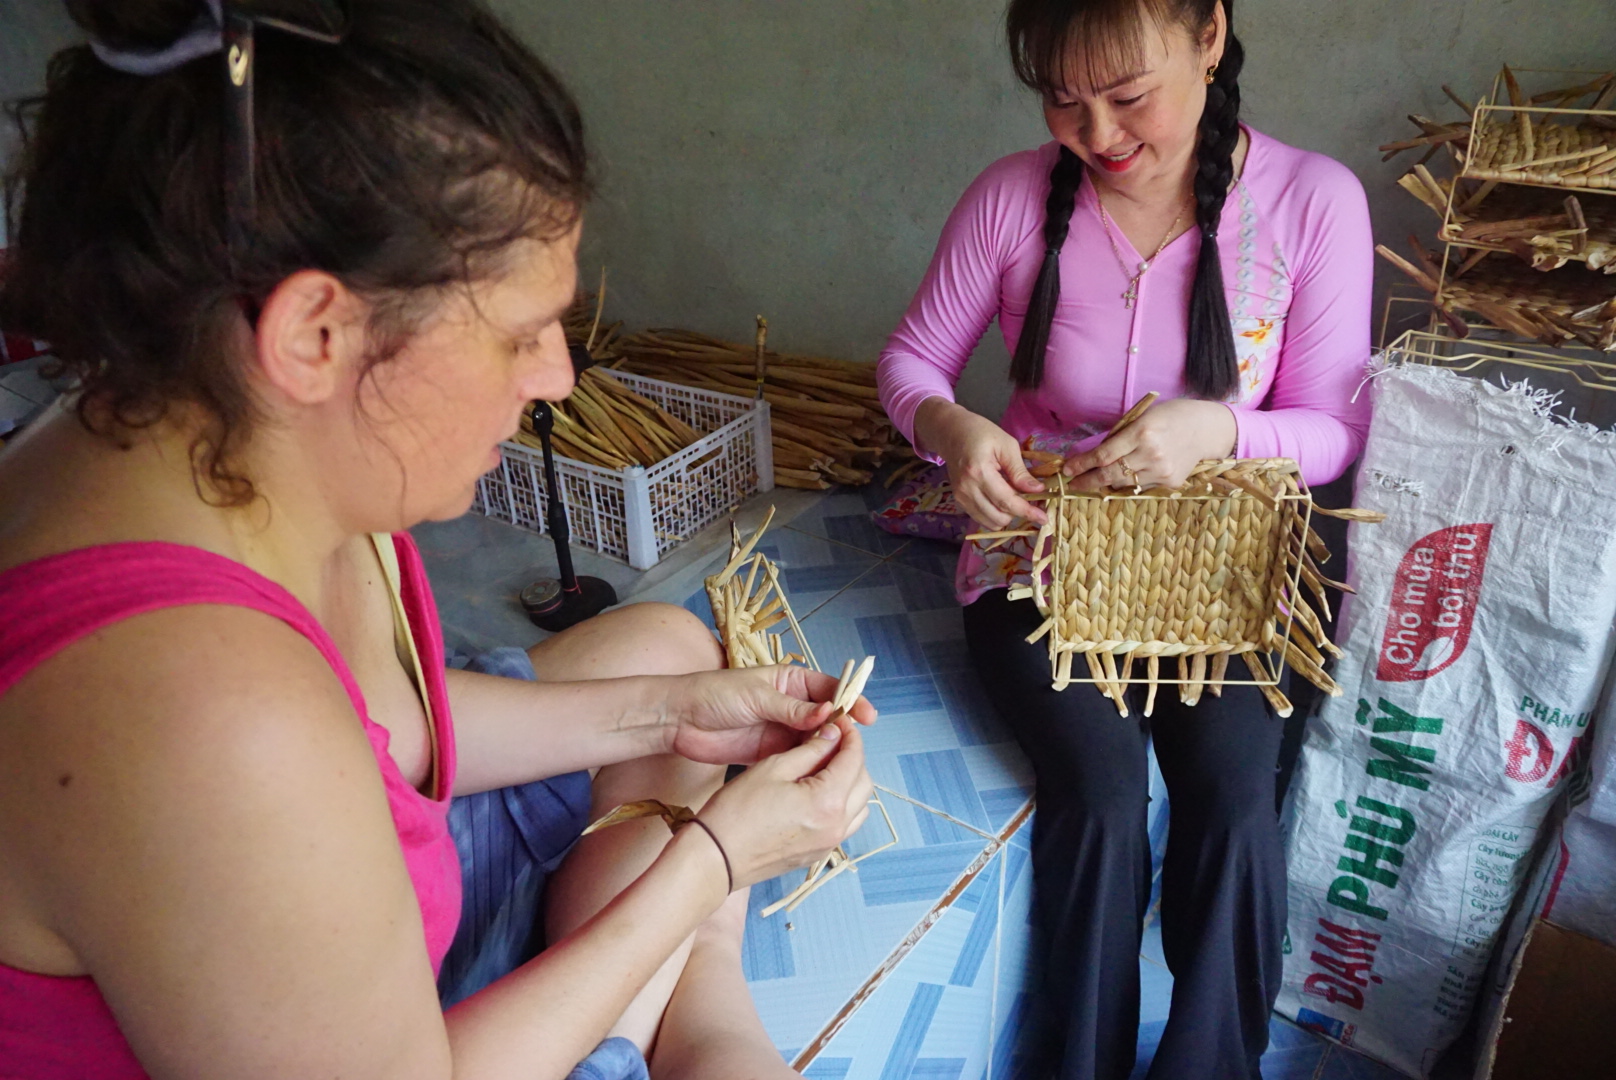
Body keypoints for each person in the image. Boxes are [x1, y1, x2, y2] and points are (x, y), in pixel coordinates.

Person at [0, 2, 876, 1078]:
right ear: (316, 334)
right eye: (519, 334)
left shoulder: (229, 441)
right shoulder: (205, 717)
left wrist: (676, 715)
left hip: (331, 916)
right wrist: (713, 863)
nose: (557, 375)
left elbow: (394, 729)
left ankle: (688, 978)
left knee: (660, 647)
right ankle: (701, 1003)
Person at [876, 1, 1372, 1077]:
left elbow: (1333, 435)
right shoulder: (1010, 198)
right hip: (1043, 552)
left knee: (1233, 796)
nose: (1096, 132)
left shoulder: (1306, 200)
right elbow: (910, 364)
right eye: (1063, 99)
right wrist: (950, 428)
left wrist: (1219, 431)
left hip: (1233, 559)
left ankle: (1208, 1065)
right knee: (1097, 788)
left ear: (1208, 36)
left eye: (1127, 95)